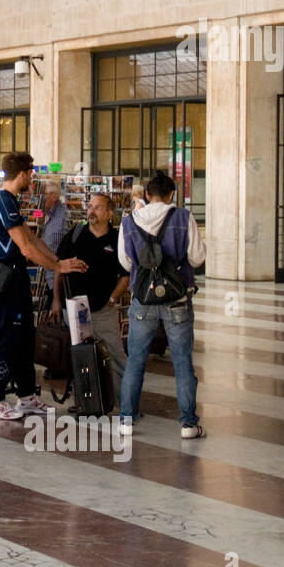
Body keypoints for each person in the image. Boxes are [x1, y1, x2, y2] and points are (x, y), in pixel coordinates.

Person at [0, 152, 87, 421]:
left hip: (17, 282)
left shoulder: (10, 202)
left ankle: (27, 395)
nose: (33, 177)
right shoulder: (3, 202)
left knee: (24, 337)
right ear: (22, 174)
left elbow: (34, 238)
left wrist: (60, 261)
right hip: (6, 282)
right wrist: (57, 268)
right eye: (30, 173)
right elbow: (27, 249)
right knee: (5, 338)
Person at [117, 171, 207, 439]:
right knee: (182, 362)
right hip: (177, 299)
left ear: (147, 195)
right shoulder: (183, 217)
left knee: (135, 361)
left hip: (142, 300)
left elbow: (125, 262)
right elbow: (197, 257)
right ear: (171, 195)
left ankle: (126, 420)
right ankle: (188, 424)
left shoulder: (129, 221)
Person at [51, 192, 130, 403]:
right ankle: (86, 403)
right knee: (82, 356)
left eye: (97, 207)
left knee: (116, 357)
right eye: (90, 207)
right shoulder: (76, 234)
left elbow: (125, 277)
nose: (91, 211)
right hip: (76, 309)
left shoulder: (117, 239)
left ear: (109, 213)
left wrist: (111, 300)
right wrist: (56, 300)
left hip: (104, 310)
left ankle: (126, 403)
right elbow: (59, 267)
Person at [39, 179, 69, 294]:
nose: (40, 198)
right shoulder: (44, 211)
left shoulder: (63, 216)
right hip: (45, 276)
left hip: (56, 279)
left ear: (54, 196)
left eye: (43, 195)